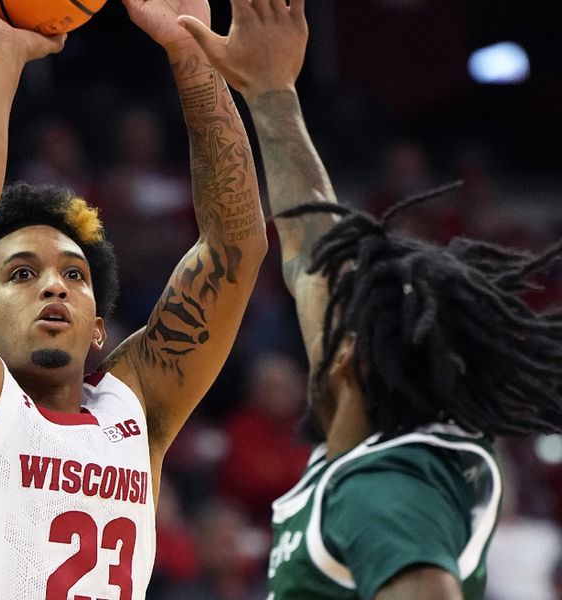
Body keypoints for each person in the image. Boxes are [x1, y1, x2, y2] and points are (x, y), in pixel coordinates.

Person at [180, 1, 562, 599]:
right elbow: (310, 248)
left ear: (351, 358)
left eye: (338, 312)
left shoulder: (384, 488)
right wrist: (272, 95)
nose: (317, 297)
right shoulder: (388, 444)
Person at [0, 1, 266, 599]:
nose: (54, 284)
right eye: (19, 273)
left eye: (75, 274)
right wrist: (1, 53)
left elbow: (237, 248)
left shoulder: (133, 413)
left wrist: (192, 54)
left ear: (98, 327)